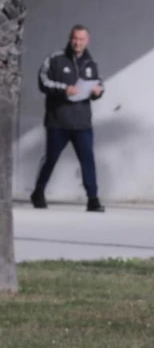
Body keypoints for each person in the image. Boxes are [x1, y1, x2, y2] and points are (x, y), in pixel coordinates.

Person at [32, 25, 106, 212]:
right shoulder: (55, 58)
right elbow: (43, 81)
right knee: (50, 159)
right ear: (70, 38)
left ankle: (93, 199)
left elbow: (98, 83)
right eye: (75, 38)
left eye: (81, 39)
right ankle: (38, 192)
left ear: (87, 41)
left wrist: (98, 91)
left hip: (82, 123)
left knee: (88, 160)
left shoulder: (91, 63)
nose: (77, 42)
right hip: (58, 121)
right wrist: (64, 89)